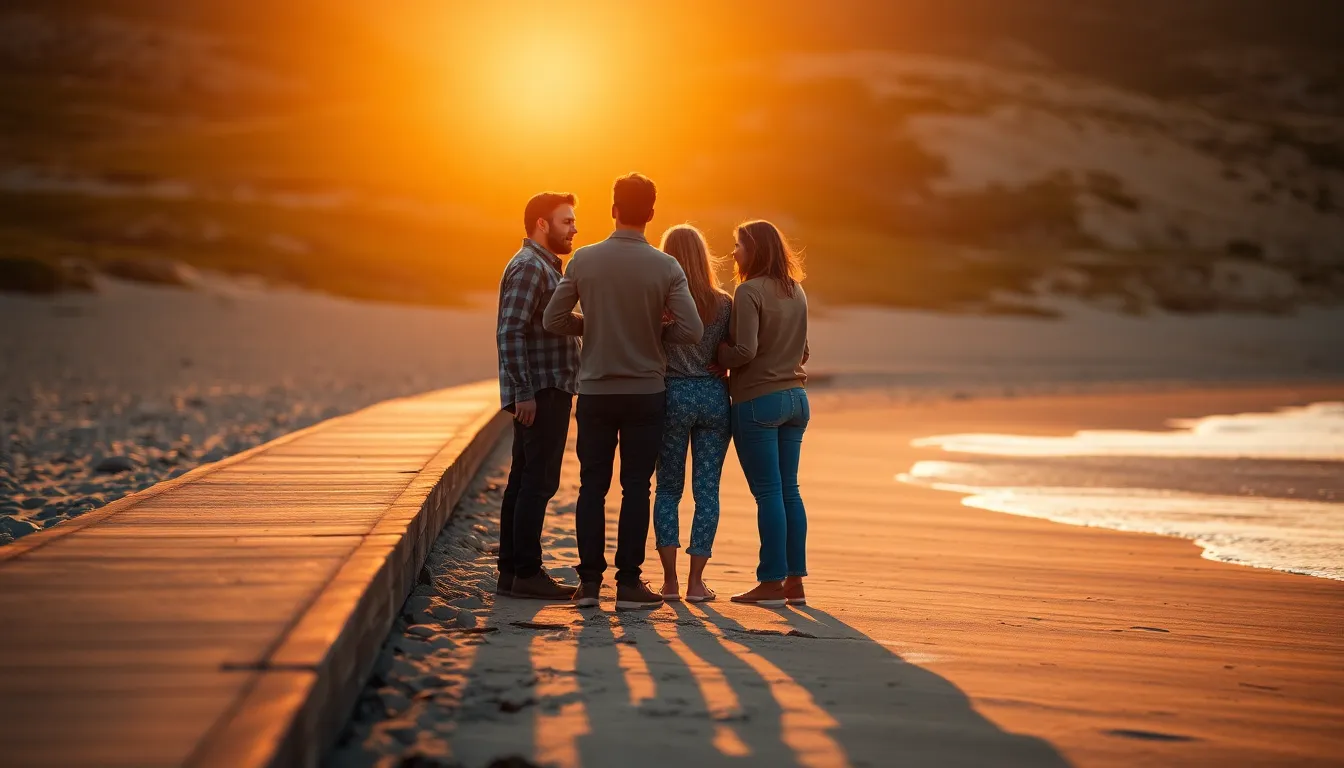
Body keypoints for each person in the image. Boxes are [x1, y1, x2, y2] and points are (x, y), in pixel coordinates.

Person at [543, 173, 704, 610]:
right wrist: (655, 331)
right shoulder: (666, 267)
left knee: (591, 487)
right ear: (651, 214)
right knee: (637, 487)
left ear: (613, 209)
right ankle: (629, 584)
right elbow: (692, 330)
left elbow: (552, 320)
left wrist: (589, 326)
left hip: (595, 390)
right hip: (645, 392)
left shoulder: (584, 261)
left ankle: (590, 585)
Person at [717, 220, 811, 608]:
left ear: (755, 249)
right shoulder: (797, 289)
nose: (734, 252)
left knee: (769, 492)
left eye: (738, 245)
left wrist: (716, 356)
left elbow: (744, 351)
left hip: (759, 401)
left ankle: (770, 583)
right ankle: (794, 582)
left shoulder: (748, 291)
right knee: (789, 490)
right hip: (797, 399)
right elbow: (805, 351)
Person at [494, 192, 582, 600]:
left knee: (523, 479)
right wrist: (524, 392)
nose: (574, 228)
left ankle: (512, 572)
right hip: (542, 389)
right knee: (538, 481)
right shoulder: (531, 267)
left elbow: (550, 324)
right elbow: (510, 331)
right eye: (566, 221)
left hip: (544, 387)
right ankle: (527, 571)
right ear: (542, 224)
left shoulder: (539, 265)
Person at [652, 225, 733, 603]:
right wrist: (723, 366)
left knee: (668, 488)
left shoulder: (660, 304)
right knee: (707, 492)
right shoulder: (724, 303)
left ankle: (669, 581)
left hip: (671, 396)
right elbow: (731, 351)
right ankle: (696, 582)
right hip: (713, 398)